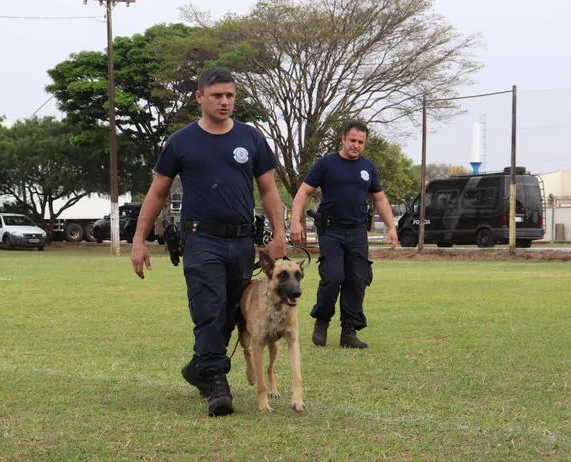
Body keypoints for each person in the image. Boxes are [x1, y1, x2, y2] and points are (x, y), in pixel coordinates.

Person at [131, 67, 286, 417]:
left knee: (233, 313)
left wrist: (279, 234)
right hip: (202, 240)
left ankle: (198, 367)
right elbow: (157, 192)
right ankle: (216, 383)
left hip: (242, 242)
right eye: (217, 95)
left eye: (230, 95)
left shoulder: (251, 138)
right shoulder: (181, 142)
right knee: (209, 310)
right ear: (199, 97)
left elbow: (268, 190)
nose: (225, 101)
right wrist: (139, 240)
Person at [289, 120, 398, 349]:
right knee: (333, 278)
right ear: (343, 139)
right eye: (352, 140)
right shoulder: (326, 163)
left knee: (357, 280)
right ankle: (322, 320)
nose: (356, 145)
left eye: (361, 142)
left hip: (357, 232)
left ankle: (349, 332)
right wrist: (295, 222)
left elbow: (379, 198)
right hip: (331, 230)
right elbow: (303, 192)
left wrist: (391, 227)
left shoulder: (368, 168)